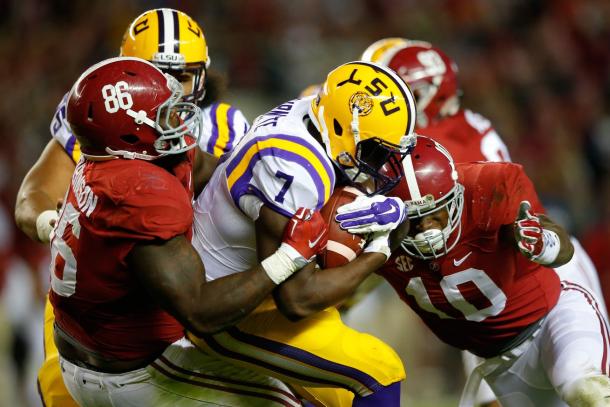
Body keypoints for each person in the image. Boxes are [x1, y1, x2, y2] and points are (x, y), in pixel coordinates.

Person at [52, 56, 328, 406]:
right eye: (161, 114)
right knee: (285, 401)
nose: (178, 117)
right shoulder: (140, 192)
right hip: (130, 374)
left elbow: (208, 169)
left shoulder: (108, 157)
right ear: (127, 131)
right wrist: (288, 257)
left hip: (86, 351)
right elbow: (200, 311)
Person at [13, 8, 249, 407]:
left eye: (183, 75)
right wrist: (48, 222)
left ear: (203, 77)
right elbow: (32, 196)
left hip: (179, 297)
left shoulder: (225, 128)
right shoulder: (105, 112)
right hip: (99, 302)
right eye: (156, 72)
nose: (170, 88)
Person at [363, 38, 609, 406]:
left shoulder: (426, 150)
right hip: (494, 287)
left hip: (531, 269)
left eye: (394, 92)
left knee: (583, 386)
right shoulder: (459, 128)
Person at [188, 61, 417, 406]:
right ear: (342, 126)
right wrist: (379, 250)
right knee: (379, 371)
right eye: (375, 150)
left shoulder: (309, 114)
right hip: (228, 305)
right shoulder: (294, 170)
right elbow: (296, 299)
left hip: (253, 281)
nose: (381, 163)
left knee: (338, 390)